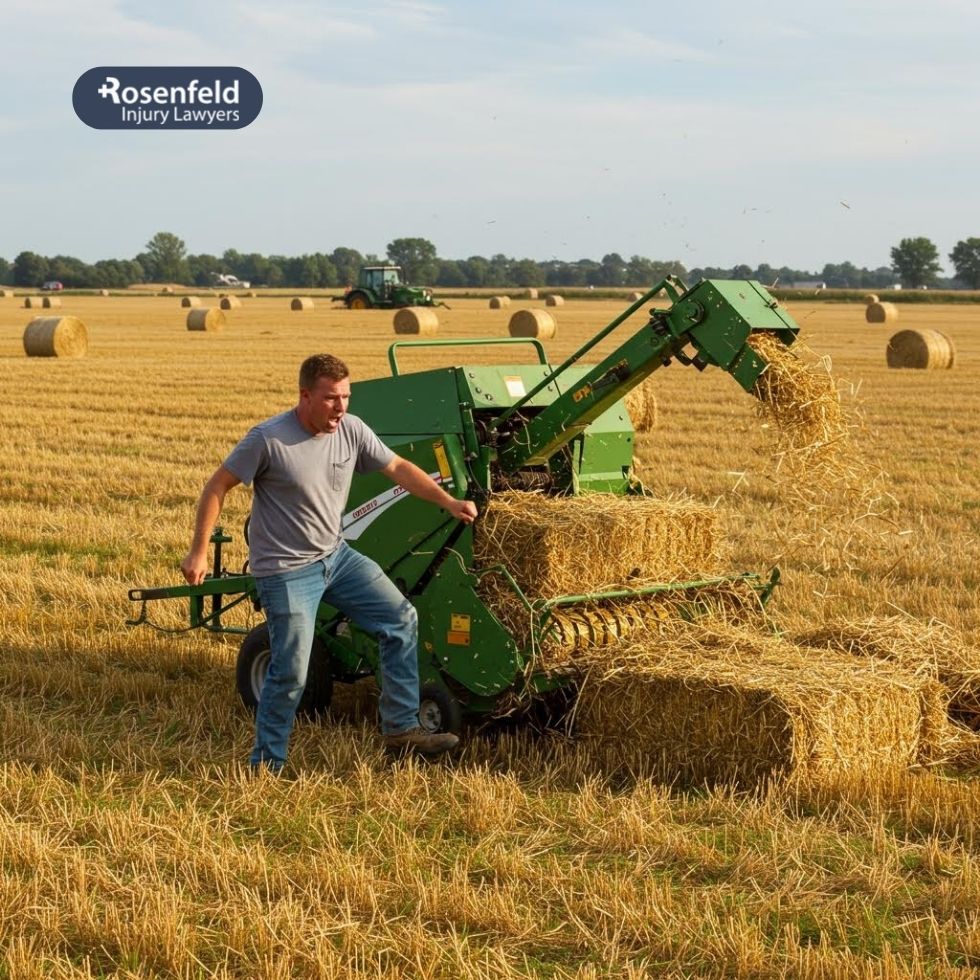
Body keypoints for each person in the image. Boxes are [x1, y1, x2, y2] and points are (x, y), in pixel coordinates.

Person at [180, 353, 478, 771]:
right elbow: (217, 486)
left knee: (399, 618)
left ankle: (400, 729)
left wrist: (447, 501)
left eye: (346, 397)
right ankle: (266, 763)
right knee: (291, 673)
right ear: (304, 396)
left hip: (335, 557)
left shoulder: (351, 430)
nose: (341, 407)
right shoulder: (269, 439)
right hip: (285, 571)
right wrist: (197, 550)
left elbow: (397, 467)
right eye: (331, 398)